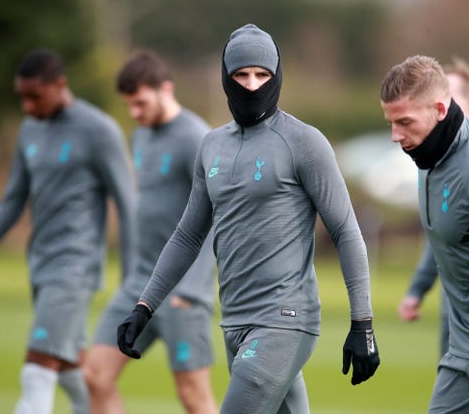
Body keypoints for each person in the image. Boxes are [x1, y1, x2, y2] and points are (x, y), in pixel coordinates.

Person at [117, 23, 380, 413]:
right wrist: (145, 306)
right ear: (226, 77)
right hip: (234, 320)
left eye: (262, 74)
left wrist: (364, 323)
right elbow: (189, 235)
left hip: (285, 320)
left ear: (277, 77)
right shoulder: (211, 146)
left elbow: (345, 231)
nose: (252, 85)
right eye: (241, 74)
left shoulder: (305, 142)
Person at [0, 49, 136, 414]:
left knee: (37, 368)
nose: (28, 106)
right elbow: (11, 202)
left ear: (60, 85)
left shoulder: (99, 130)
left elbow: (129, 207)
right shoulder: (30, 130)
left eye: (35, 96)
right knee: (69, 369)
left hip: (75, 268)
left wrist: (131, 281)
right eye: (22, 97)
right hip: (41, 264)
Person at [381, 54, 469, 413]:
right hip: (460, 350)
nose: (396, 136)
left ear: (440, 110)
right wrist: (417, 288)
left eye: (405, 122)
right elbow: (444, 235)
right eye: (391, 123)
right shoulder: (426, 155)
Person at [83, 50, 218, 414]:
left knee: (193, 396)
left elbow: (217, 219)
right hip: (139, 285)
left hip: (182, 291)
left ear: (165, 89)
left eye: (141, 103)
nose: (135, 113)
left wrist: (191, 290)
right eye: (129, 105)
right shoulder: (140, 138)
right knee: (95, 375)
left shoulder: (197, 139)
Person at [397, 57, 469, 358]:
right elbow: (437, 233)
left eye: (448, 94)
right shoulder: (429, 159)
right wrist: (417, 289)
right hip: (453, 304)